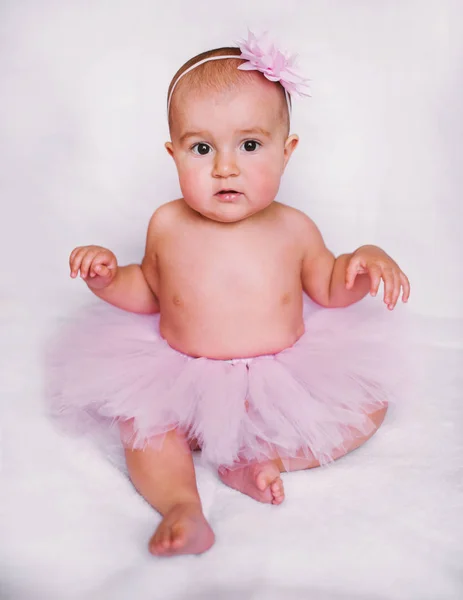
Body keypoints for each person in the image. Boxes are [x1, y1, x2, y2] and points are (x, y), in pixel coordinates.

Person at [49, 31, 410, 558]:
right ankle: (182, 505)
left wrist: (362, 263)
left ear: (286, 153)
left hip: (279, 378)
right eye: (201, 148)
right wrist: (106, 278)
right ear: (173, 154)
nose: (224, 166)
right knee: (144, 428)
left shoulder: (293, 228)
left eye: (249, 145)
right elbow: (149, 290)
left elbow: (330, 287)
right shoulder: (167, 223)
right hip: (181, 378)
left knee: (368, 408)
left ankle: (264, 462)